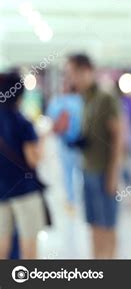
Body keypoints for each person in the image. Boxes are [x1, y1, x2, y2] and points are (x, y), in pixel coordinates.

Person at [65, 54, 123, 259]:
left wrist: (114, 174)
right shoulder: (85, 99)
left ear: (87, 71)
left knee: (107, 224)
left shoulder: (105, 98)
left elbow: (118, 137)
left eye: (74, 74)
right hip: (87, 169)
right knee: (94, 224)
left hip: (103, 172)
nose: (71, 79)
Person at [0, 72, 47, 259]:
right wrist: (44, 137)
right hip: (24, 191)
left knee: (2, 241)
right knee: (28, 245)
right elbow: (33, 159)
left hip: (1, 191)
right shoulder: (22, 122)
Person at [46, 80, 83, 212]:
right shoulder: (81, 101)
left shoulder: (58, 102)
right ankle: (81, 199)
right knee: (81, 172)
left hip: (64, 143)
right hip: (81, 144)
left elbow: (51, 119)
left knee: (67, 174)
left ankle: (70, 201)